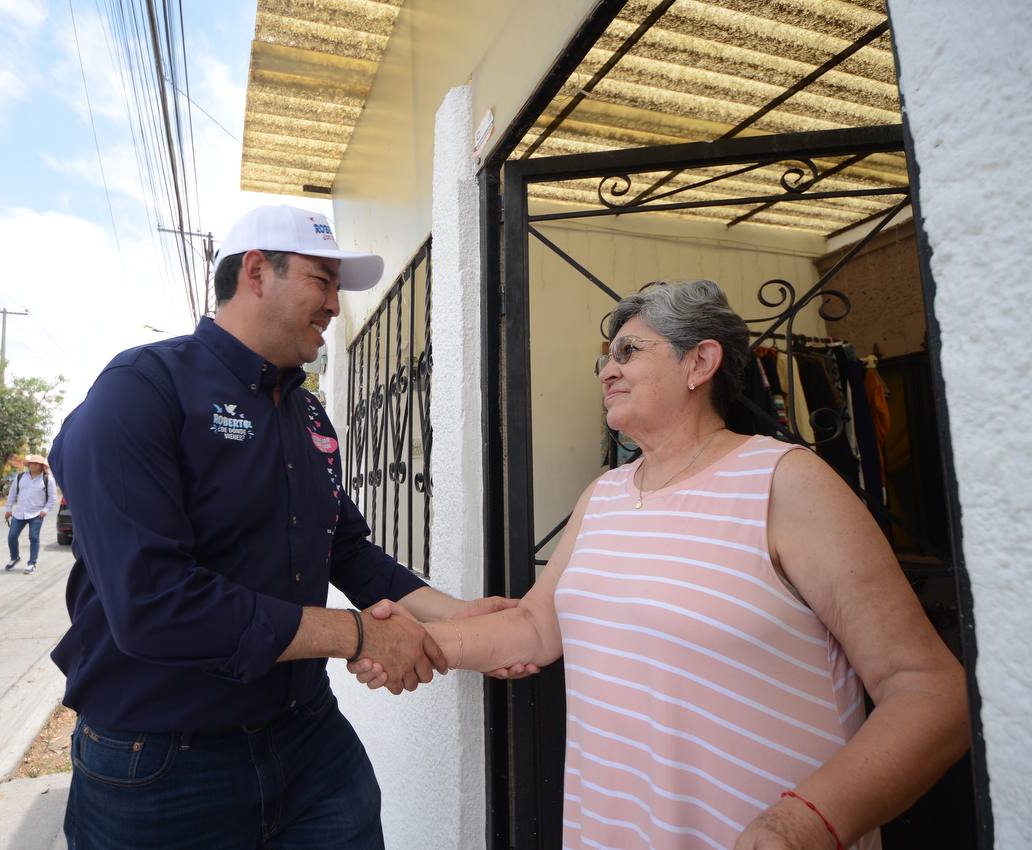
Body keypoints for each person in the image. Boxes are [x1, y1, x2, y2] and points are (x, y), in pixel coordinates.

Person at [353, 280, 969, 850]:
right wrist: (411, 640)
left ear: (700, 362)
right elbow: (535, 628)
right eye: (605, 358)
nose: (607, 371)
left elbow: (928, 690)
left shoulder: (784, 481)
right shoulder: (607, 494)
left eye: (627, 352)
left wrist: (797, 826)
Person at [48, 204, 518, 850]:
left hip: (306, 740)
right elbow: (153, 602)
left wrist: (456, 616)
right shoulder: (143, 388)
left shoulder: (309, 418)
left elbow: (348, 552)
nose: (333, 305)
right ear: (256, 273)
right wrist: (357, 635)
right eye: (322, 281)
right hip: (159, 762)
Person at [4, 453, 57, 575]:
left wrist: (45, 511)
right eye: (31, 463)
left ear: (41, 466)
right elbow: (12, 494)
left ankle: (32, 563)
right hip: (19, 513)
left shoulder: (48, 479)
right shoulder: (20, 477)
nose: (33, 465)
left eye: (36, 463)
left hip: (37, 514)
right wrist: (8, 509)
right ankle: (15, 557)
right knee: (12, 536)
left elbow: (53, 498)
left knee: (33, 537)